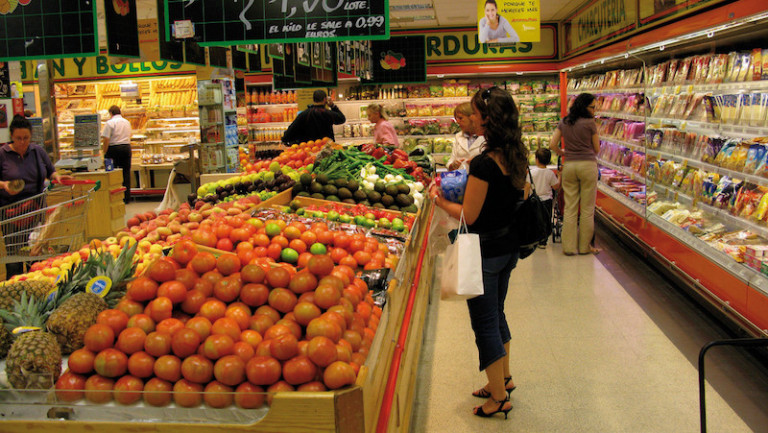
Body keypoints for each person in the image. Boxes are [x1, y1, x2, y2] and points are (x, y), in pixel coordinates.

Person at [431, 87, 528, 419]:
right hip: (508, 246)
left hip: (484, 252)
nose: (470, 118)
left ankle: (498, 398)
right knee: (497, 314)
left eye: (474, 113)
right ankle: (503, 379)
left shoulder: (485, 164)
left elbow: (468, 215)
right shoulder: (515, 153)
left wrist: (438, 200)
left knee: (484, 323)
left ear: (488, 119)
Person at [0, 115, 71, 277]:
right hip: (11, 215)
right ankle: (16, 284)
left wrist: (57, 177)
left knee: (37, 255)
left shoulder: (37, 151)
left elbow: (50, 171)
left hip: (36, 211)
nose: (22, 142)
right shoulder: (3, 154)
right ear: (11, 136)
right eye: (18, 138)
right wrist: (4, 185)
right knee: (15, 258)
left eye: (26, 138)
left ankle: (36, 282)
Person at [549, 93, 600, 255]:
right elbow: (597, 148)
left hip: (569, 166)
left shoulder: (564, 121)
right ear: (585, 106)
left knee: (570, 208)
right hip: (587, 166)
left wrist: (563, 153)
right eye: (592, 107)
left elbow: (552, 144)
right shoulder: (590, 123)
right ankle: (584, 247)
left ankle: (569, 248)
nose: (594, 110)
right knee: (587, 209)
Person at [281, 89, 346, 144]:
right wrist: (332, 106)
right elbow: (342, 119)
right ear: (325, 99)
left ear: (313, 100)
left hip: (309, 149)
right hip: (326, 148)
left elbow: (288, 134)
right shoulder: (328, 113)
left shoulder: (304, 114)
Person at [529, 148, 560, 249]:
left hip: (534, 200)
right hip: (547, 201)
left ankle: (534, 239)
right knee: (546, 220)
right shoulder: (550, 173)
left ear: (536, 159)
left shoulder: (532, 172)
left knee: (535, 220)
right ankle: (543, 241)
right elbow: (556, 186)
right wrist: (559, 176)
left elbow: (527, 185)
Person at [101, 105, 132, 203]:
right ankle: (126, 198)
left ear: (111, 113)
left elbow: (106, 139)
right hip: (126, 148)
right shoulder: (127, 122)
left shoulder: (110, 123)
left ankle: (115, 197)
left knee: (112, 173)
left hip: (113, 149)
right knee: (126, 173)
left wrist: (104, 151)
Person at [447, 102, 485, 171]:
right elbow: (450, 162)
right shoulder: (458, 136)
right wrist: (453, 165)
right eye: (456, 118)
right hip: (461, 176)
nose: (457, 122)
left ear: (472, 117)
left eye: (460, 118)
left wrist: (476, 163)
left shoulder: (486, 136)